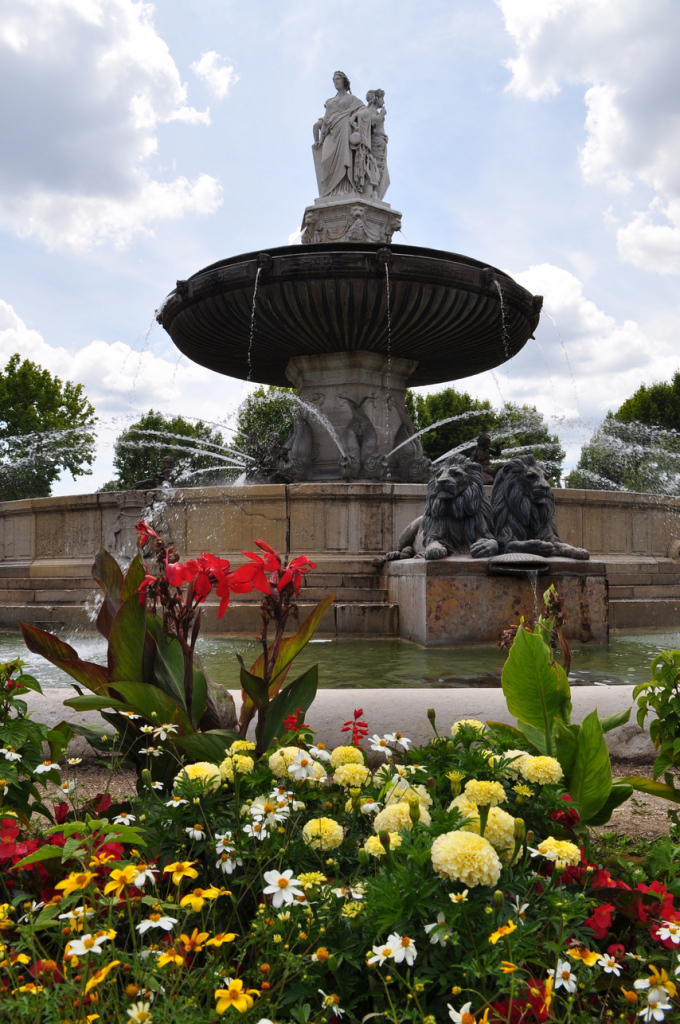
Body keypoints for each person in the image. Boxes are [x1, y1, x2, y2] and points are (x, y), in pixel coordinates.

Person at [312, 71, 365, 197]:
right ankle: (329, 192)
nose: (335, 82)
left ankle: (345, 189)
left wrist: (354, 117)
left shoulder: (352, 99)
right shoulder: (330, 101)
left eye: (338, 79)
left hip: (344, 129)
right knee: (325, 160)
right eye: (334, 80)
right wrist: (318, 128)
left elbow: (363, 110)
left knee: (344, 159)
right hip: (330, 130)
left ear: (344, 81)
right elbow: (326, 117)